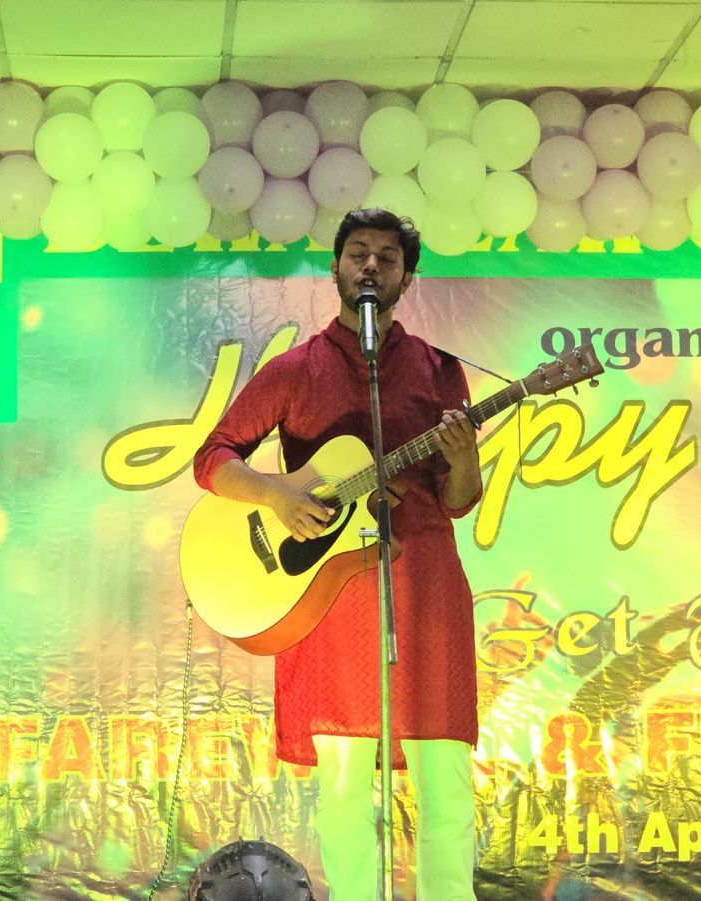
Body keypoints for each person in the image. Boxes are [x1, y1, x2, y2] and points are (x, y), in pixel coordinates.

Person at [192, 208, 483, 900]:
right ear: (335, 267)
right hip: (331, 595)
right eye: (358, 253)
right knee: (346, 788)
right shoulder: (296, 370)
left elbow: (459, 499)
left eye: (388, 257)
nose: (371, 265)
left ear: (407, 278)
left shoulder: (440, 370)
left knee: (446, 781)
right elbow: (212, 457)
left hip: (427, 587)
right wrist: (275, 495)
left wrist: (466, 458)